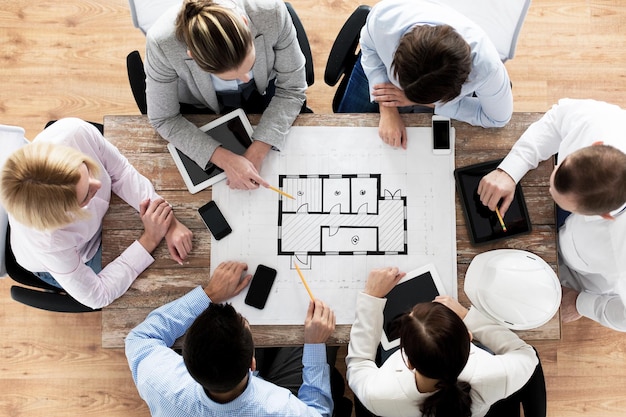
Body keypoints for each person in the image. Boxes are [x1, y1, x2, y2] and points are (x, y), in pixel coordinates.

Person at [0, 118, 193, 309]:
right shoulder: (51, 242)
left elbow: (121, 172)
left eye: (87, 169)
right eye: (86, 196)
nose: (99, 184)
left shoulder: (74, 132)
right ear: (64, 216)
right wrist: (150, 238)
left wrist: (168, 222)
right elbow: (98, 295)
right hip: (77, 254)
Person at [477, 98, 626, 332]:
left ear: (606, 216)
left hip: (579, 276)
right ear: (596, 144)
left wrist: (582, 304)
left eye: (567, 204)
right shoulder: (603, 122)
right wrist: (510, 169)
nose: (548, 186)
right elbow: (557, 119)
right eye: (558, 169)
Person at [125, 261, 337, 416]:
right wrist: (315, 345)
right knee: (316, 339)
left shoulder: (163, 383)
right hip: (268, 402)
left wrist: (208, 295)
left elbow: (139, 338)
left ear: (186, 362)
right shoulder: (281, 409)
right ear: (252, 364)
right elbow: (319, 413)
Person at [145, 0, 307, 190]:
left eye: (249, 66)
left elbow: (292, 88)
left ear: (245, 23)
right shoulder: (162, 43)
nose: (246, 79)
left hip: (264, 91)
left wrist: (258, 151)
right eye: (231, 76)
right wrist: (226, 160)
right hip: (201, 104)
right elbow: (164, 118)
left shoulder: (272, 12)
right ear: (193, 57)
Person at [346, 267, 539, 417]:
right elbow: (526, 353)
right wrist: (466, 315)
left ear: (409, 362)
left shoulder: (378, 395)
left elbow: (358, 364)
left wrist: (371, 298)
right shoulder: (498, 376)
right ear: (470, 337)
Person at [337, 0, 512, 149]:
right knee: (343, 134)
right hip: (384, 73)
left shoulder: (487, 68)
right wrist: (387, 108)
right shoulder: (384, 18)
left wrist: (429, 104)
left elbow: (497, 119)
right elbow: (369, 47)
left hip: (437, 99)